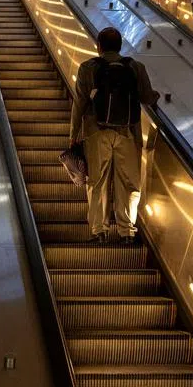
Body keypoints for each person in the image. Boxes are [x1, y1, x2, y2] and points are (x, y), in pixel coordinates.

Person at [69, 27, 160, 244]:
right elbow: (147, 97)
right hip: (128, 132)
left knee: (97, 181)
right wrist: (158, 95)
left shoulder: (88, 68)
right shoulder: (136, 67)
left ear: (98, 47)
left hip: (96, 132)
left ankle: (98, 230)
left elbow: (80, 102)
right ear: (120, 46)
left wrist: (73, 134)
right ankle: (127, 231)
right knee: (129, 182)